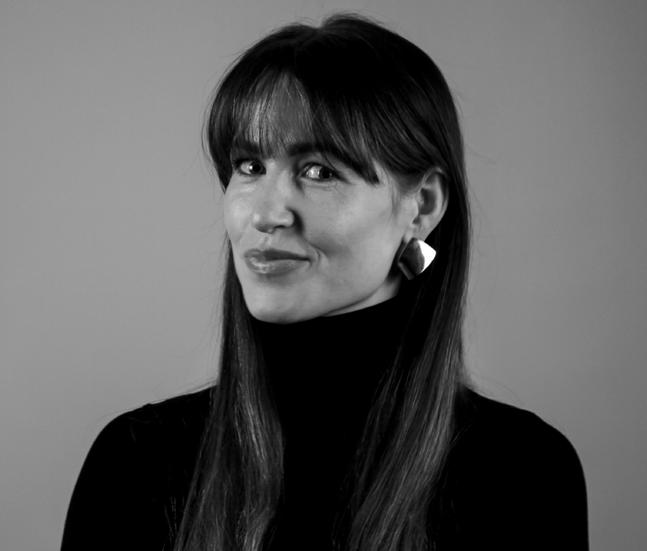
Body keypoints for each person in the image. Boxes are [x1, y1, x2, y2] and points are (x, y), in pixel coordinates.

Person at [60, 13, 588, 551]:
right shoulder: (137, 463)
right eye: (249, 166)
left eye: (319, 171)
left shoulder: (522, 473)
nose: (266, 213)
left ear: (422, 206)